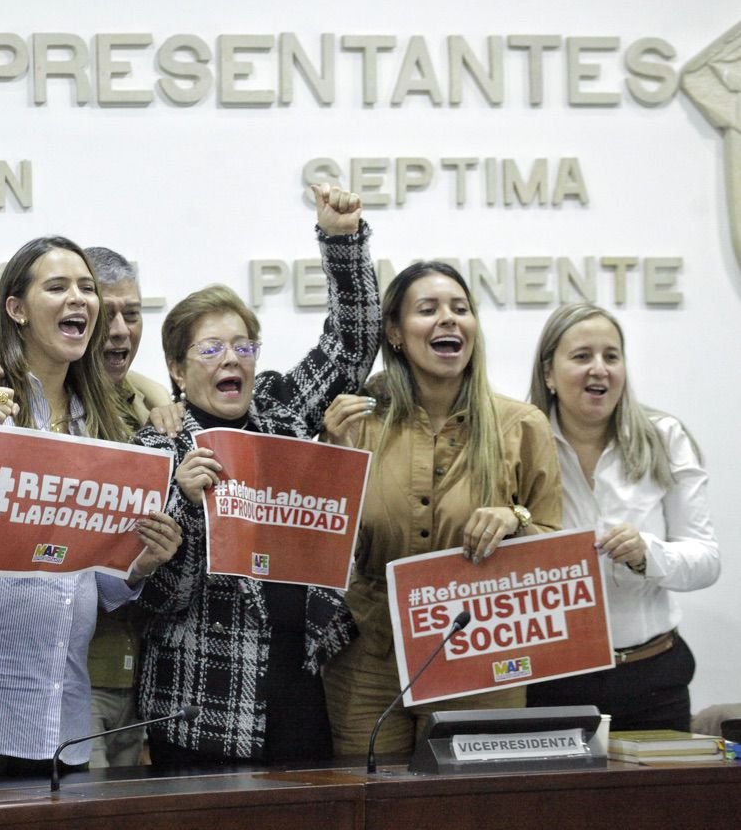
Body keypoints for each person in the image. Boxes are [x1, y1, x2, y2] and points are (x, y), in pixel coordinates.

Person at [0, 236, 182, 782]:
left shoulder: (96, 418)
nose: (78, 299)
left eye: (85, 288)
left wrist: (139, 564)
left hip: (62, 714)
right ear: (17, 309)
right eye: (57, 287)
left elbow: (89, 579)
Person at [129, 185, 380, 767]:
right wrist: (187, 504)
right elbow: (154, 600)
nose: (232, 360)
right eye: (212, 348)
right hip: (201, 703)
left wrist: (342, 244)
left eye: (244, 346)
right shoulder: (156, 447)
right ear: (175, 368)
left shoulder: (282, 413)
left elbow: (349, 349)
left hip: (299, 681)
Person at [320, 260, 562, 756]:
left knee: (468, 806)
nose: (449, 320)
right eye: (428, 310)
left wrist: (514, 521)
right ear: (395, 333)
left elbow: (558, 552)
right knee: (370, 802)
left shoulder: (522, 424)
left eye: (461, 309)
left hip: (482, 652)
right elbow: (317, 543)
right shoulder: (357, 418)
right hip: (370, 654)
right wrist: (332, 459)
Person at [524, 303, 718, 731]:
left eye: (611, 356)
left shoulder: (665, 437)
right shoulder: (516, 443)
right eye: (581, 356)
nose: (600, 369)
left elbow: (706, 561)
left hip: (652, 678)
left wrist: (649, 554)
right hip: (553, 684)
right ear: (549, 374)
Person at [81, 246, 169, 768]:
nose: (120, 330)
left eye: (131, 314)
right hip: (77, 673)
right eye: (106, 314)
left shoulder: (150, 405)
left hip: (139, 669)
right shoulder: (42, 403)